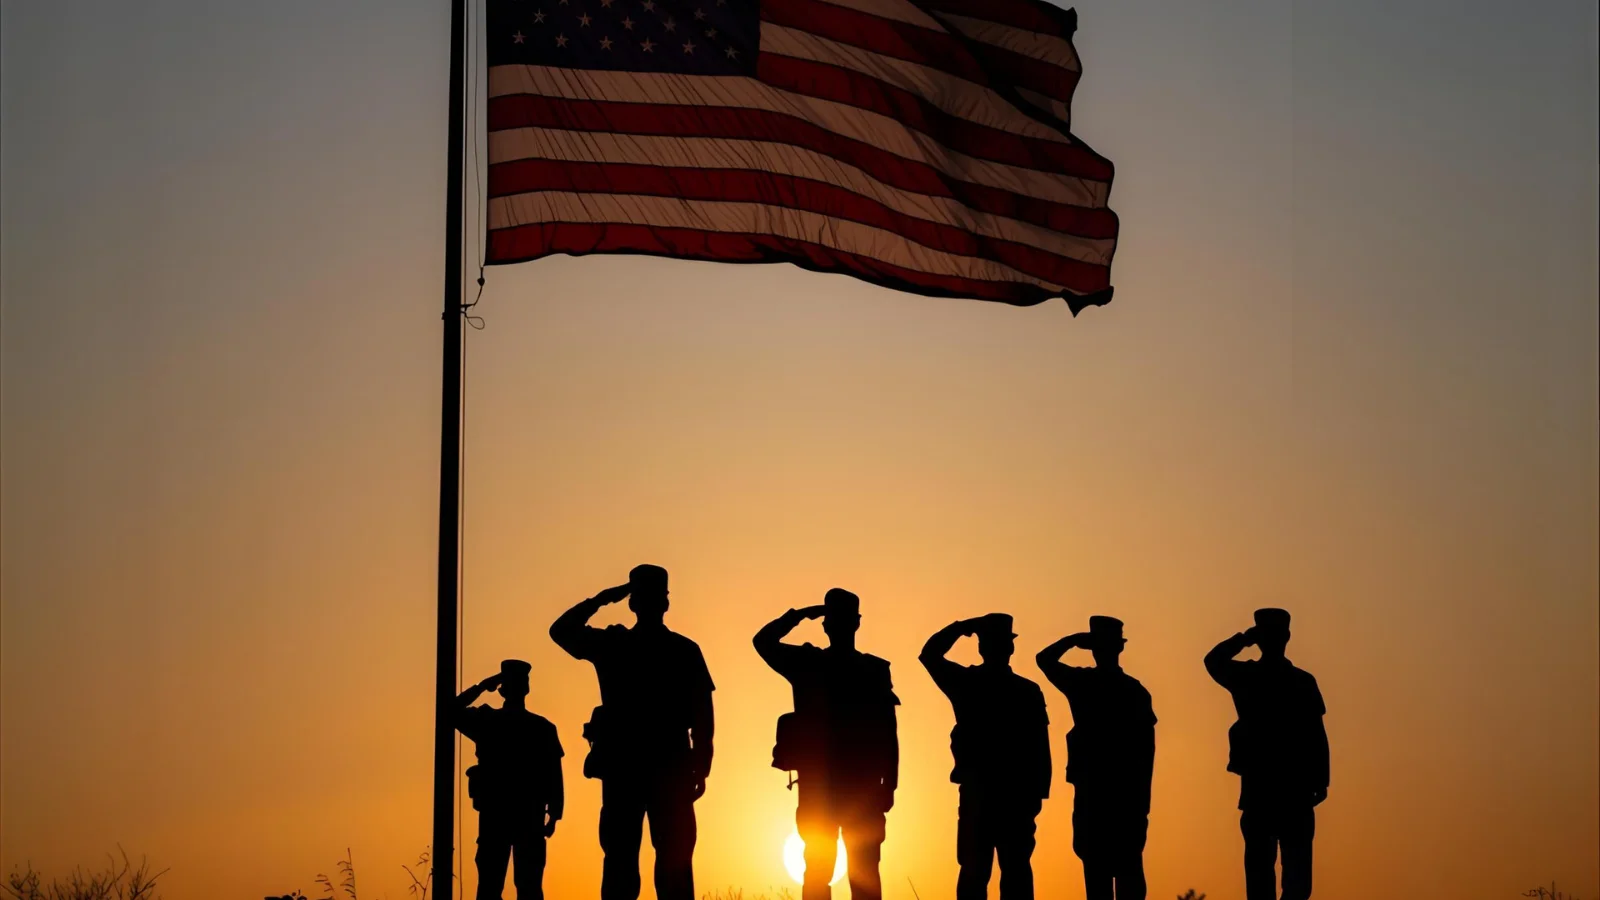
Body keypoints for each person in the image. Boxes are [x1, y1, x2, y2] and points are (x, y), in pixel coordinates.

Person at [549, 565, 715, 900]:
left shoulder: (614, 645)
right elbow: (703, 718)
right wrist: (701, 765)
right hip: (663, 767)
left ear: (632, 602)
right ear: (665, 603)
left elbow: (562, 630)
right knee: (666, 862)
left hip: (630, 769)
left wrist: (601, 600)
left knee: (626, 862)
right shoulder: (681, 649)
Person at [754, 588, 899, 900]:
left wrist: (798, 616)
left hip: (838, 787)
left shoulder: (811, 664)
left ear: (826, 623)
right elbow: (889, 731)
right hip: (840, 786)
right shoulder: (863, 668)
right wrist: (889, 785)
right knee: (845, 870)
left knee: (836, 870)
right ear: (856, 622)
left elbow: (888, 730)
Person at [920, 614, 1052, 900]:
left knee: (984, 872)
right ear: (1010, 647)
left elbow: (930, 654)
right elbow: (1041, 748)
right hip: (1005, 795)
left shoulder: (968, 683)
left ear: (982, 647)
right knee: (1001, 871)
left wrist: (962, 628)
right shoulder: (1024, 690)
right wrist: (1038, 794)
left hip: (992, 794)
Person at [1205, 608, 1328, 900]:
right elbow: (1212, 661)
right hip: (1269, 788)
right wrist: (1321, 779)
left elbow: (1316, 733)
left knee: (1287, 877)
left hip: (1285, 788)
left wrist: (1321, 779)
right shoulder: (1259, 677)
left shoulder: (1291, 680)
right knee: (1271, 875)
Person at [1037, 617, 1156, 900]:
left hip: (1109, 794)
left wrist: (1073, 641)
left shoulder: (1087, 684)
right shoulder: (1128, 690)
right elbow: (1147, 754)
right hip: (1111, 794)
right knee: (1114, 870)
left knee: (1110, 872)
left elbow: (1045, 659)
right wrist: (1142, 802)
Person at [454, 659, 564, 900]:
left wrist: (483, 686)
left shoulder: (488, 721)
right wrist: (554, 815)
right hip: (522, 816)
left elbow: (452, 709)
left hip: (500, 815)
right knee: (525, 888)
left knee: (493, 887)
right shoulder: (542, 727)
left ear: (502, 688)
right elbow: (555, 776)